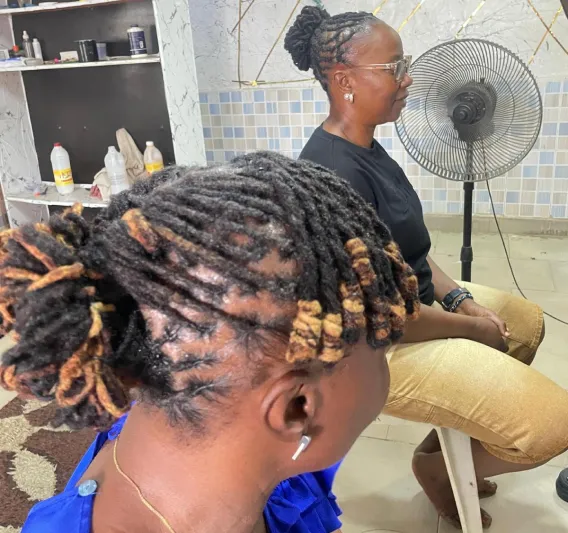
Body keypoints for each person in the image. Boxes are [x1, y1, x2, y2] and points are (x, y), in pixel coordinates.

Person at [0, 152, 420, 533]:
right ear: (298, 407)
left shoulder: (202, 426)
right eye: (381, 340)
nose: (392, 337)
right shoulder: (262, 439)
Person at [284, 6, 568, 529]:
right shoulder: (332, 174)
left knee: (525, 324)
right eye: (394, 68)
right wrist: (471, 328)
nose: (408, 78)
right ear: (344, 80)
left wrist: (461, 299)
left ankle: (443, 457)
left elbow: (408, 248)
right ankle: (438, 472)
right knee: (556, 426)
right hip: (375, 349)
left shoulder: (367, 148)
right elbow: (384, 317)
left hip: (411, 307)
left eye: (405, 64)